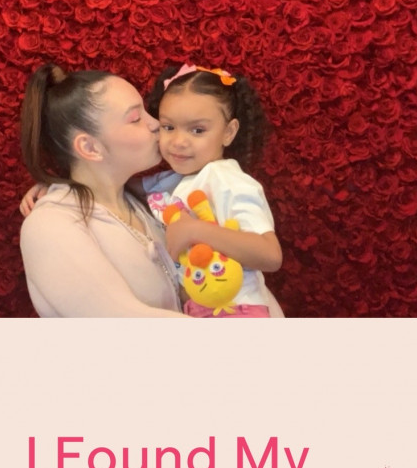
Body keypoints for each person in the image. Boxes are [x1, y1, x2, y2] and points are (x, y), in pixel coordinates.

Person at [19, 65, 184, 317]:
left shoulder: (145, 202)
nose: (156, 124)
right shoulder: (49, 225)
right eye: (136, 118)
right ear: (89, 147)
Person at [144, 62, 284, 318]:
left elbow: (270, 254)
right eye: (168, 127)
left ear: (228, 132)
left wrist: (195, 230)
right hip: (198, 310)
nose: (179, 141)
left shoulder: (227, 179)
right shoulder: (174, 180)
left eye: (197, 130)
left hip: (237, 310)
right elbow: (119, 186)